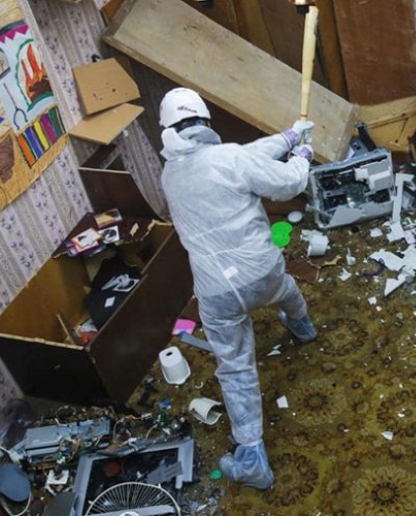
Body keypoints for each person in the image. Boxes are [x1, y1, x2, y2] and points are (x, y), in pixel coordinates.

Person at [158, 87, 318, 490]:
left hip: (217, 291)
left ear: (167, 130)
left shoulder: (170, 174)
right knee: (285, 290)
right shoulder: (227, 156)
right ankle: (303, 327)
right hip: (263, 272)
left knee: (235, 366)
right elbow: (285, 184)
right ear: (206, 122)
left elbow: (242, 158)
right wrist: (301, 155)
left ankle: (251, 456)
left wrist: (286, 137)